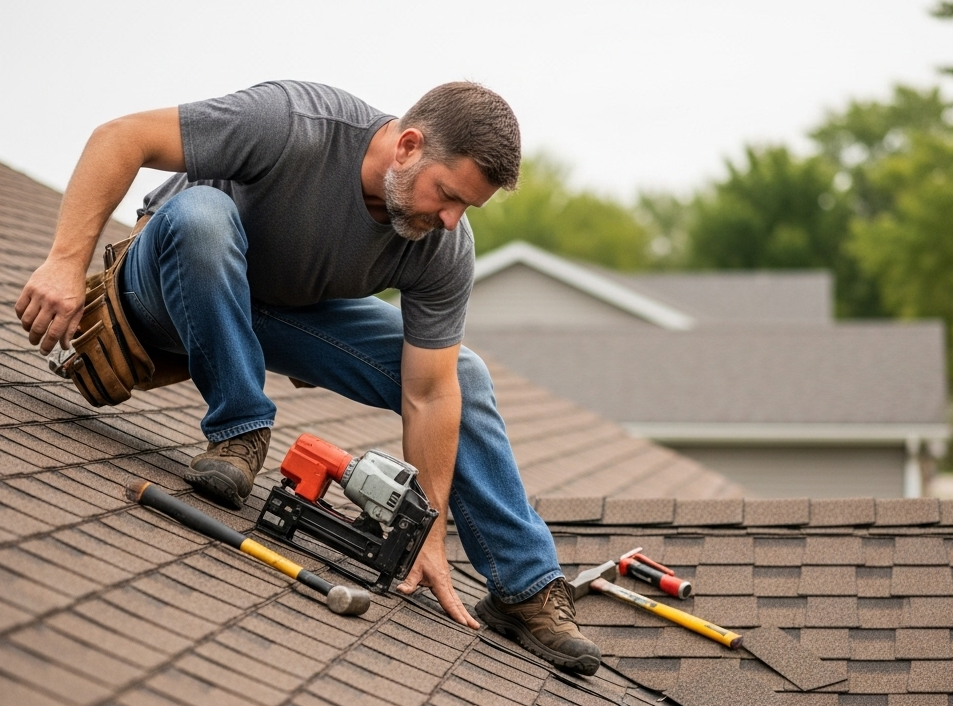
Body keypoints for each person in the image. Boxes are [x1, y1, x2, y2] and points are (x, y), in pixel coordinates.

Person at [15, 80, 602, 675]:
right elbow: (120, 136)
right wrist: (64, 262)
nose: (451, 221)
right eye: (447, 195)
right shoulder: (294, 123)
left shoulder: (441, 245)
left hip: (277, 311)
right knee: (203, 214)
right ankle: (240, 431)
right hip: (168, 283)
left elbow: (430, 393)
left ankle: (525, 586)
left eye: (466, 208)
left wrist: (427, 530)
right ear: (408, 146)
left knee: (464, 374)